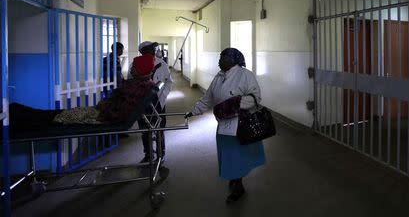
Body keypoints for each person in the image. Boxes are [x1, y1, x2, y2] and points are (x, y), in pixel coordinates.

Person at [185, 48, 265, 204]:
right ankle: (235, 177)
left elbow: (256, 96)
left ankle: (238, 186)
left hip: (240, 122)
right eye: (220, 57)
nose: (219, 60)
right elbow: (207, 97)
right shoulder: (219, 76)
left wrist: (233, 105)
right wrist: (194, 111)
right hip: (224, 124)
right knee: (226, 153)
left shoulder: (245, 75)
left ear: (233, 60)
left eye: (223, 57)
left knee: (237, 155)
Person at [9, 57, 156, 129]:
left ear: (140, 70)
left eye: (134, 67)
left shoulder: (136, 87)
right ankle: (15, 111)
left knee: (56, 117)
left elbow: (119, 113)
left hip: (99, 117)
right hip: (99, 113)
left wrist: (102, 108)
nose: (131, 69)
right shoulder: (141, 84)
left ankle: (14, 113)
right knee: (54, 114)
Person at [130, 41, 173, 163]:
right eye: (151, 49)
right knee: (145, 129)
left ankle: (161, 153)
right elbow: (132, 82)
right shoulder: (134, 64)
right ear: (143, 51)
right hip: (142, 103)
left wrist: (162, 96)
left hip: (158, 102)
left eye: (154, 49)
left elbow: (169, 81)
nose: (154, 51)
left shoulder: (161, 64)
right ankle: (148, 154)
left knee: (159, 128)